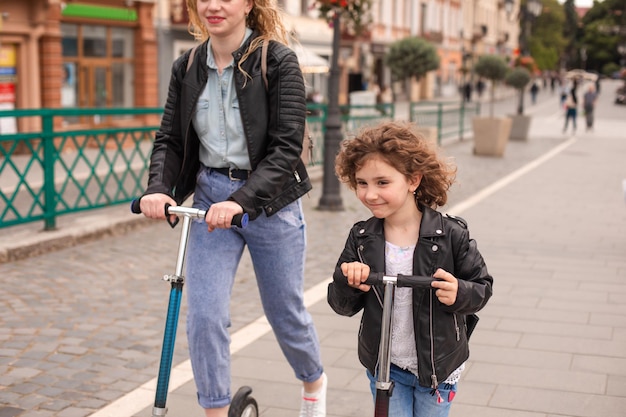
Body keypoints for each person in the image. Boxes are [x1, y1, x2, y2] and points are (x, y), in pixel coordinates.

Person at [137, 0, 326, 416]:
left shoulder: (277, 61)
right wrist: (159, 188)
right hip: (209, 201)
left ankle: (313, 382)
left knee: (284, 313)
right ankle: (216, 411)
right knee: (204, 316)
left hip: (270, 203)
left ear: (248, 4)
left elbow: (285, 147)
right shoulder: (186, 67)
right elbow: (169, 138)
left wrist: (239, 202)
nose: (213, 5)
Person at [328, 122, 493, 417]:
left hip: (437, 370)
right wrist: (347, 281)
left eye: (382, 182)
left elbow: (481, 287)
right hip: (385, 365)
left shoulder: (450, 234)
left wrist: (459, 292)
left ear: (413, 180)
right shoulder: (362, 237)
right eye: (362, 183)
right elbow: (342, 305)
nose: (369, 194)